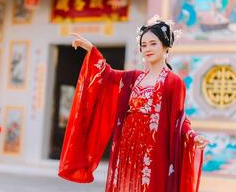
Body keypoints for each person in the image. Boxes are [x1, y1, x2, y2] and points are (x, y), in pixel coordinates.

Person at [58, 15, 210, 192]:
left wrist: (192, 136)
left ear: (166, 46)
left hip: (153, 149)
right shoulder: (133, 78)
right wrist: (91, 50)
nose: (147, 49)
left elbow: (179, 118)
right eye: (143, 45)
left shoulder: (173, 82)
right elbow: (106, 75)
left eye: (153, 43)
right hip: (127, 145)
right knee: (125, 185)